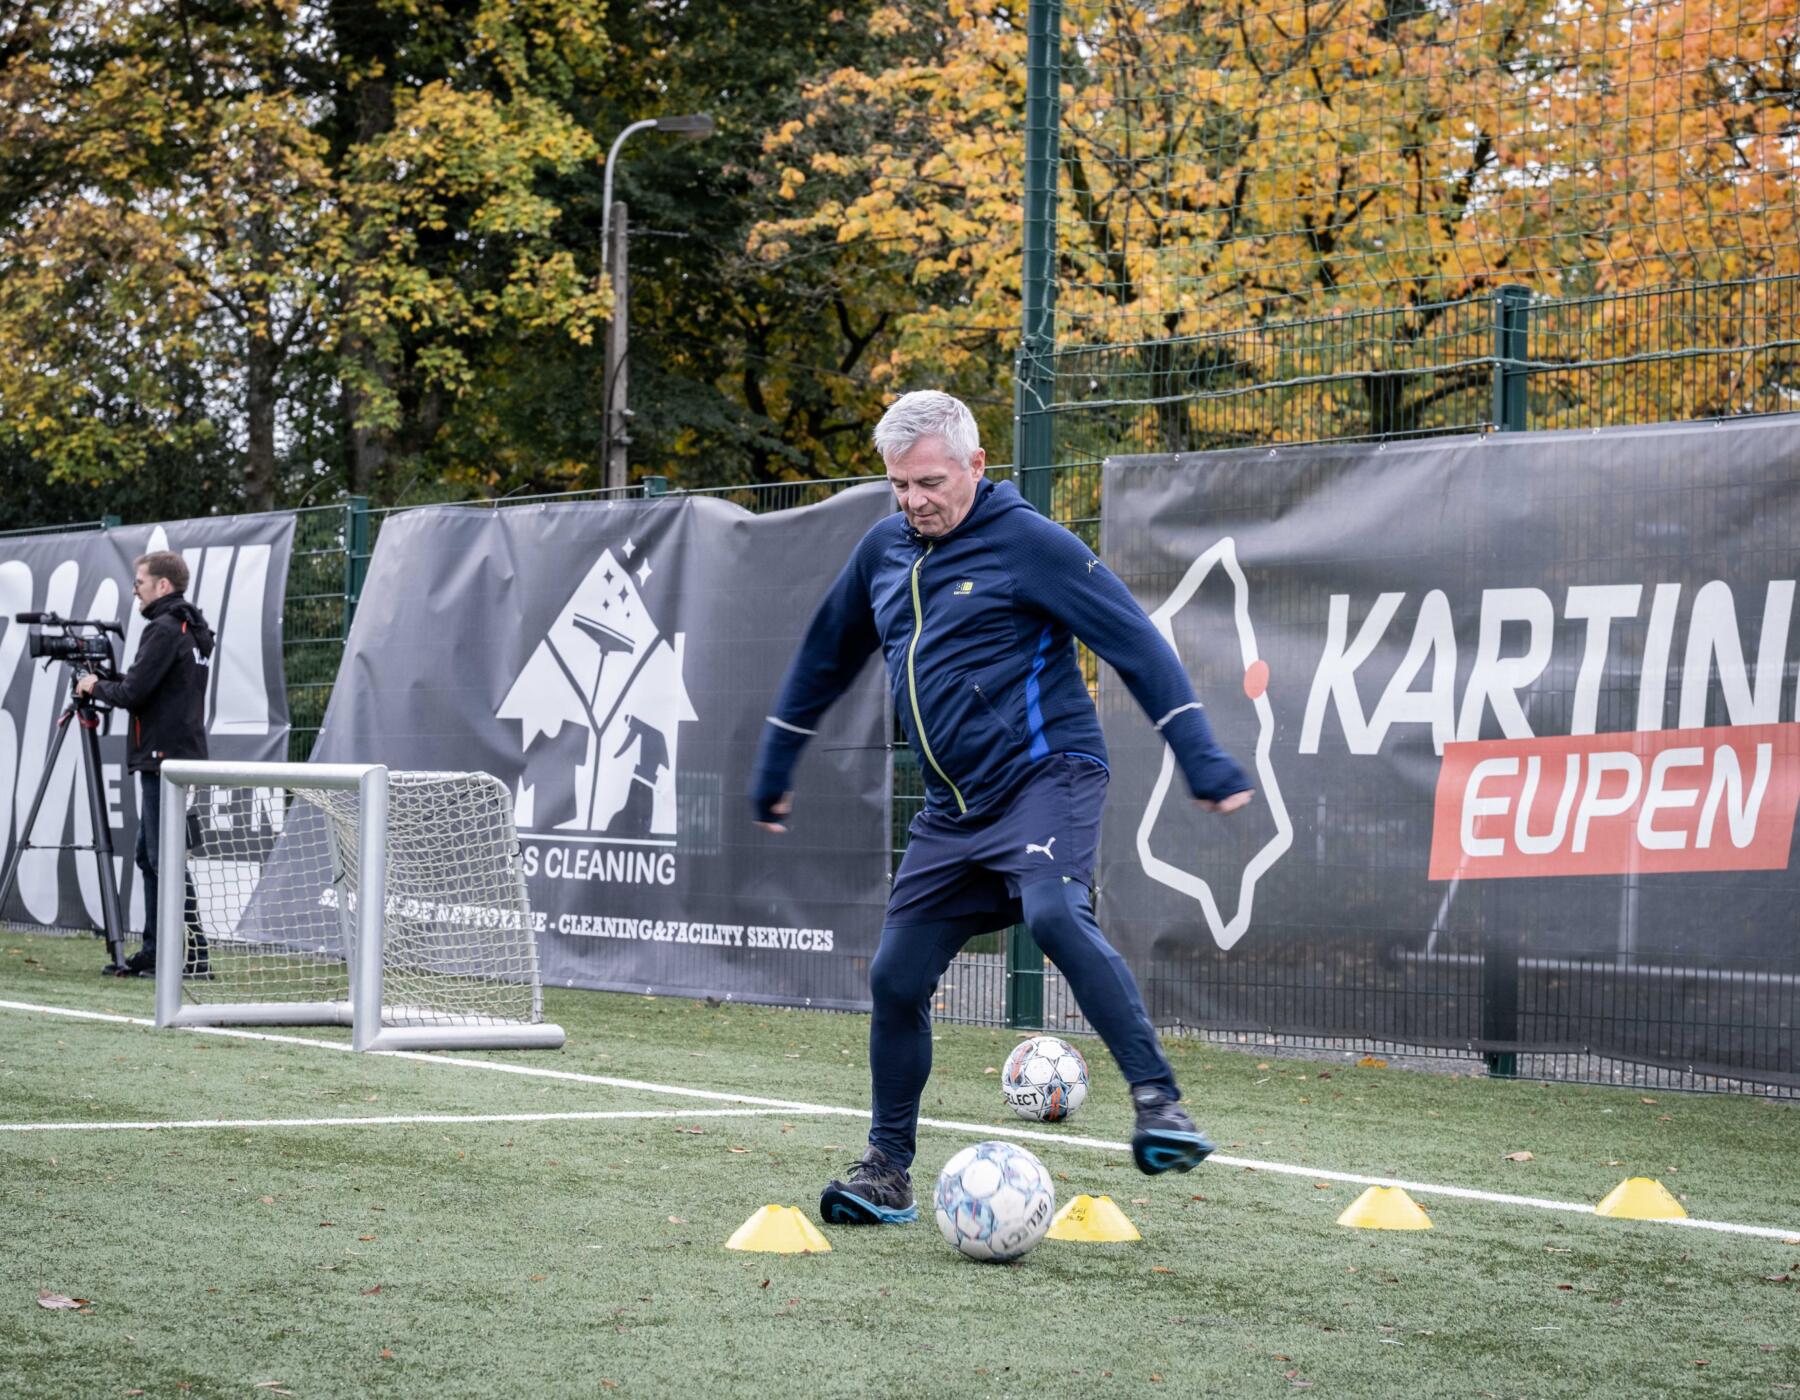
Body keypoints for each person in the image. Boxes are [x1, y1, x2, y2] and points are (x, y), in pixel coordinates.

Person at [749, 390, 1255, 1225]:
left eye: (931, 482)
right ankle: (886, 1168)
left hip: (1047, 777)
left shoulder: (1030, 544)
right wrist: (776, 762)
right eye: (900, 485)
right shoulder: (883, 551)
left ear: (977, 466)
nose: (914, 501)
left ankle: (1160, 1103)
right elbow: (821, 660)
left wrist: (1201, 755)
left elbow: (1134, 641)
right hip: (952, 813)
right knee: (894, 976)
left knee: (1056, 913)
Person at [75, 551, 214, 978]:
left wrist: (94, 684)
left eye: (140, 580)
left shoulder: (165, 629)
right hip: (176, 756)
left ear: (163, 586)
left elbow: (133, 693)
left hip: (163, 760)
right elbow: (146, 688)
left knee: (163, 858)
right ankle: (159, 951)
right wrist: (107, 682)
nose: (134, 587)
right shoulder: (191, 628)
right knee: (150, 857)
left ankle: (190, 957)